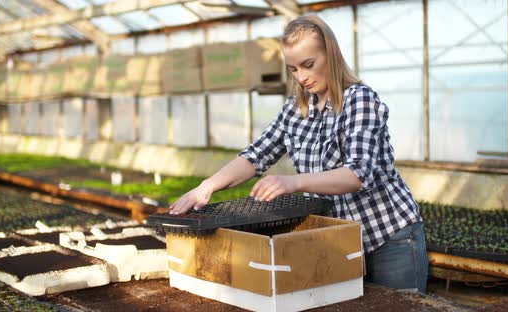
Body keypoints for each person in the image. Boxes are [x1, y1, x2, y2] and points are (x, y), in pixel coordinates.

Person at [169, 15, 428, 293]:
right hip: (338, 245)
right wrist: (205, 188)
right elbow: (255, 156)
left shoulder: (359, 100)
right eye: (293, 69)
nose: (301, 77)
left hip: (387, 239)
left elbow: (357, 174)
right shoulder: (295, 110)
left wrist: (293, 182)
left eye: (308, 65)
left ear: (330, 54)